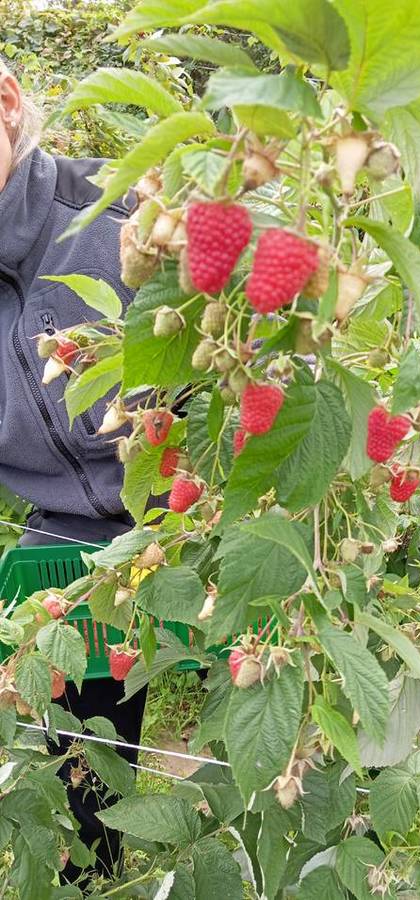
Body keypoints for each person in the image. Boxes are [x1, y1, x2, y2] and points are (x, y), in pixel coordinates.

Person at [0, 58, 146, 884]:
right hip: (62, 531)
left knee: (266, 715)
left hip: (187, 517)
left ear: (6, 102)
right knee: (81, 747)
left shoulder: (125, 215)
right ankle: (92, 869)